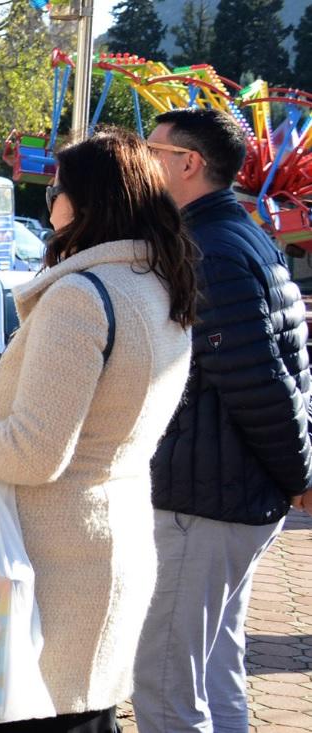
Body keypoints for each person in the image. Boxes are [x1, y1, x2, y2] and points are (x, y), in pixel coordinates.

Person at [0, 129, 199, 732]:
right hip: (106, 551)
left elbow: (35, 454)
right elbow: (110, 395)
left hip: (46, 567)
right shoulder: (154, 284)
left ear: (86, 202)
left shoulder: (80, 297)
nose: (49, 203)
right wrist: (6, 368)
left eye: (56, 190)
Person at [132, 108, 312, 733]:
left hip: (206, 502)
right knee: (213, 675)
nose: (140, 161)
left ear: (189, 164)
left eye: (150, 150)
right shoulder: (237, 235)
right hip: (229, 495)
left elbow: (258, 384)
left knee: (164, 692)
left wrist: (299, 475)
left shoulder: (208, 250)